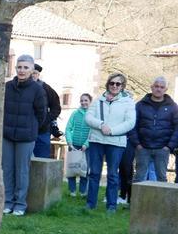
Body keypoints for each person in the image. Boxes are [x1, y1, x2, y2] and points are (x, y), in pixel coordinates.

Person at [85, 73, 136, 212]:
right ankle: (90, 204)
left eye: (118, 84)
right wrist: (101, 125)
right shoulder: (98, 100)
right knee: (94, 172)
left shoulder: (128, 102)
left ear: (122, 86)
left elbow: (130, 122)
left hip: (116, 142)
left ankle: (111, 205)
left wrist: (112, 130)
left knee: (113, 174)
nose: (114, 86)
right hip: (96, 140)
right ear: (108, 84)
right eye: (112, 83)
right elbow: (88, 117)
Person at [2, 55, 46, 216]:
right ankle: (7, 202)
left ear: (32, 70)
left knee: (22, 171)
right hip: (7, 135)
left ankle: (20, 204)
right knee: (7, 169)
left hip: (26, 137)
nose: (22, 70)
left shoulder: (37, 89)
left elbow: (42, 114)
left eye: (25, 68)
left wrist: (31, 127)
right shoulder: (7, 86)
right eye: (19, 67)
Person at [128, 76, 178, 183]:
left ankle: (160, 200)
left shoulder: (173, 106)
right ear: (151, 87)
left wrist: (169, 146)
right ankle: (137, 200)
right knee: (139, 178)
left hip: (162, 148)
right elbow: (132, 125)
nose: (158, 89)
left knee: (161, 178)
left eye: (161, 87)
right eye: (156, 86)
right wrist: (137, 144)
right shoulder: (140, 105)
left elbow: (177, 127)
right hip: (143, 148)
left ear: (165, 89)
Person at [64, 93, 92, 197]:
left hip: (86, 147)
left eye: (86, 100)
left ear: (90, 101)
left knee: (84, 169)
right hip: (73, 145)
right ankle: (72, 191)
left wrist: (86, 144)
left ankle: (82, 191)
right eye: (82, 100)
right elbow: (68, 128)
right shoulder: (75, 113)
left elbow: (92, 131)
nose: (83, 102)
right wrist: (70, 142)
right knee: (72, 168)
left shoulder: (92, 114)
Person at [32, 64, 61, 158]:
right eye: (31, 73)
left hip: (43, 131)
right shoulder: (21, 87)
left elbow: (56, 107)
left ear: (38, 74)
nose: (33, 75)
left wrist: (46, 119)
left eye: (35, 73)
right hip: (26, 130)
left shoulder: (46, 88)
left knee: (42, 158)